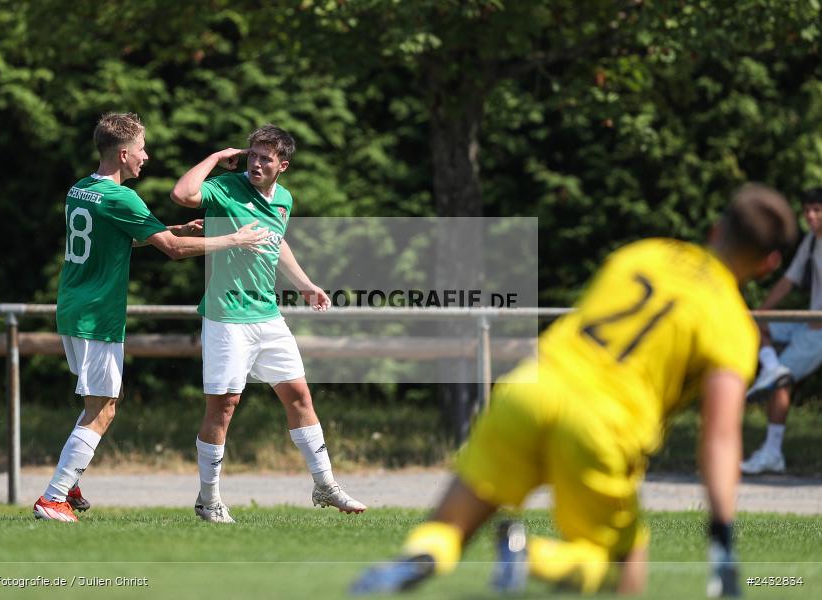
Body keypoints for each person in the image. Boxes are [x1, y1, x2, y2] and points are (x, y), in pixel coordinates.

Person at [351, 184, 798, 597]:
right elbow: (718, 436)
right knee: (622, 563)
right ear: (769, 263)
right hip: (604, 423)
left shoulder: (644, 253)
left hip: (532, 387)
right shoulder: (732, 325)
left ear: (716, 229)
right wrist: (722, 530)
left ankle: (422, 555)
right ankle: (533, 558)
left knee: (450, 525)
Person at [33, 113, 270, 522]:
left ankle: (68, 482)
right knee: (103, 408)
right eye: (142, 148)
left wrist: (171, 227)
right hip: (97, 314)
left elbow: (115, 238)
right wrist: (236, 238)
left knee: (101, 401)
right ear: (124, 154)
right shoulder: (123, 197)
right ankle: (53, 497)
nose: (147, 156)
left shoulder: (81, 189)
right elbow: (174, 251)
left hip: (72, 306)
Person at [170, 124, 366, 523]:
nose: (256, 163)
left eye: (265, 158)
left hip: (268, 316)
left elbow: (277, 242)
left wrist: (307, 285)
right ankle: (208, 500)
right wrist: (214, 157)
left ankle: (325, 485)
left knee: (300, 398)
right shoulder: (226, 186)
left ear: (283, 166)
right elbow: (182, 194)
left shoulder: (284, 200)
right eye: (252, 155)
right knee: (223, 407)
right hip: (227, 317)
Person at [741, 188, 822, 475]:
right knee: (756, 325)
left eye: (817, 209)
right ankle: (773, 368)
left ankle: (772, 453)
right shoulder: (812, 242)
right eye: (807, 210)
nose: (811, 216)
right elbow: (788, 281)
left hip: (820, 331)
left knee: (779, 383)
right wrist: (761, 312)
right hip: (808, 323)